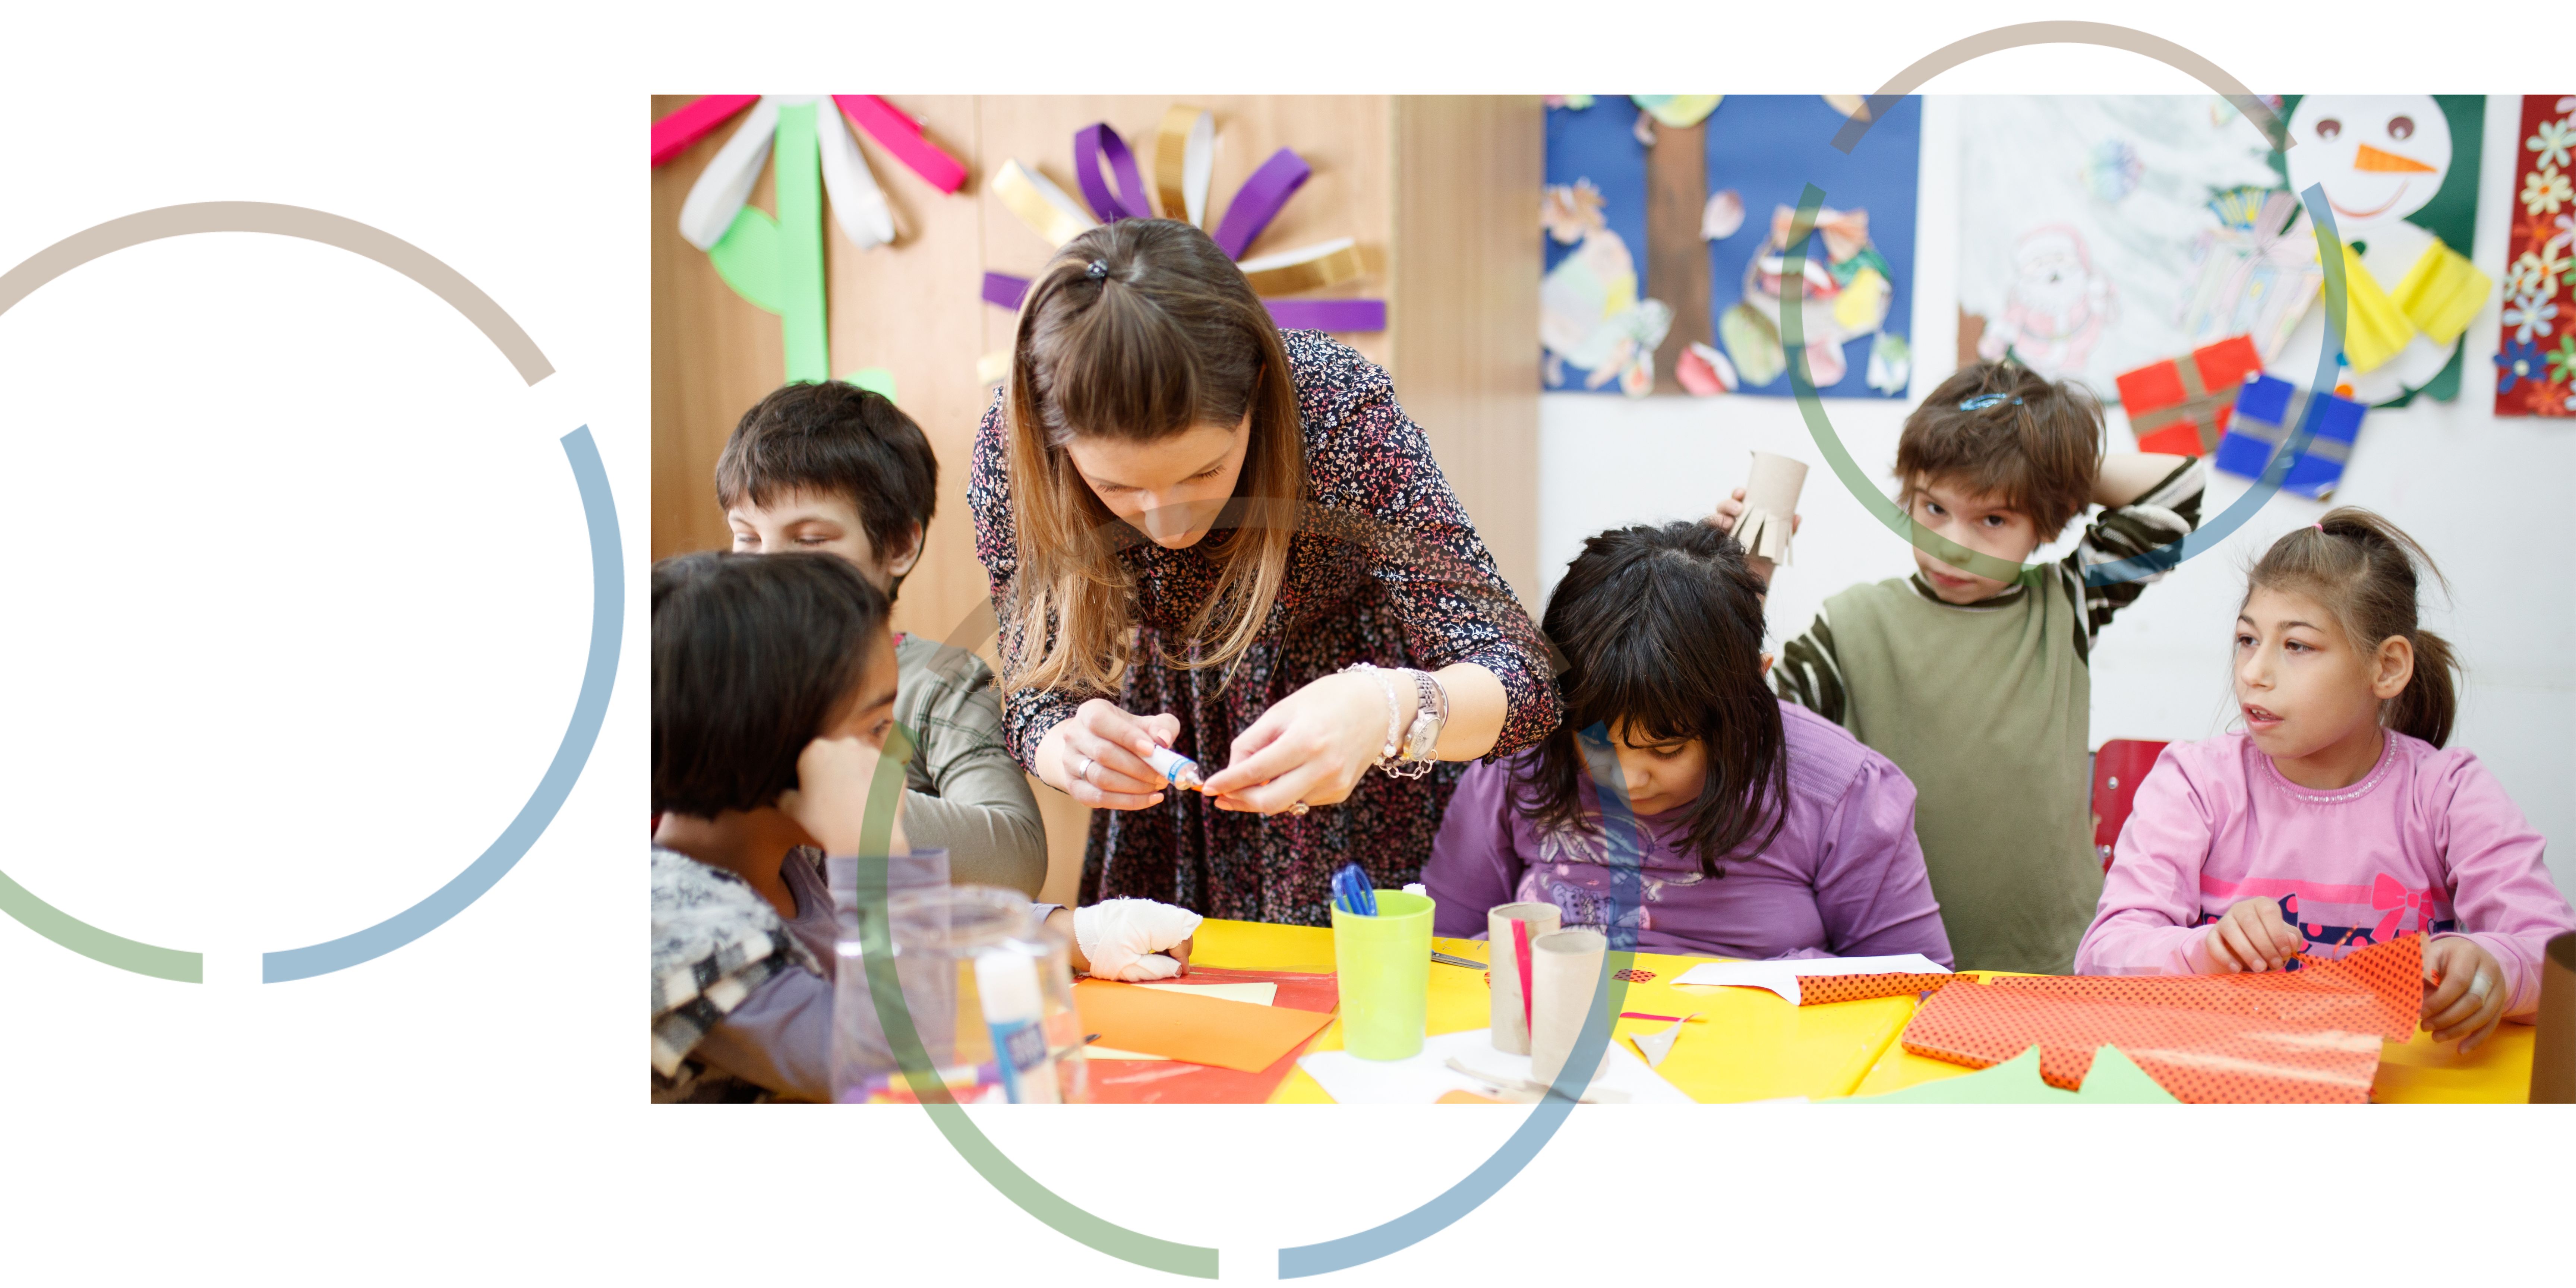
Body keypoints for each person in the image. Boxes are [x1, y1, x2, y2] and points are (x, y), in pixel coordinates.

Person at [969, 218, 1559, 925]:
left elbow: (1526, 678)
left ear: (1258, 392)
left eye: (1204, 472)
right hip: (1177, 778)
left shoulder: (1335, 413)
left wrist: (1385, 710)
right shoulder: (1016, 453)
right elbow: (1035, 690)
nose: (1165, 525)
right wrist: (1060, 742)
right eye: (1117, 489)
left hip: (1363, 749)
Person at [650, 552, 1200, 1103]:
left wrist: (1079, 934)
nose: (899, 746)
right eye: (876, 725)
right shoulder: (676, 925)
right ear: (762, 746)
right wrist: (871, 853)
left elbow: (928, 932)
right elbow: (893, 1065)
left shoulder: (790, 858)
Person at [1737, 360, 2203, 975]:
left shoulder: (2068, 603)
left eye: (1993, 519)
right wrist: (1742, 575)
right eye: (1933, 510)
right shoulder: (1852, 627)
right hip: (1892, 962)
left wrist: (2047, 466)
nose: (1953, 544)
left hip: (2056, 963)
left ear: (2044, 524)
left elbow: (2178, 491)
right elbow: (1743, 727)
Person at [2075, 511, 2575, 1053]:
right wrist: (2209, 950)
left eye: (2297, 646)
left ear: (2386, 668)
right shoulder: (2194, 783)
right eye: (2247, 639)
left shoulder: (2450, 793)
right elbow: (2104, 956)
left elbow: (2553, 957)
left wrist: (2492, 968)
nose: (2252, 672)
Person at [1420, 521, 1951, 962]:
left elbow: (1913, 990)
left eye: (1666, 750)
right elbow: (1440, 954)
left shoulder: (1844, 793)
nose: (1625, 779)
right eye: (1597, 742)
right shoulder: (1521, 759)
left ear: (1750, 693)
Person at [717, 379, 1046, 897]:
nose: (767, 568)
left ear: (898, 545)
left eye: (809, 540)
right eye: (747, 537)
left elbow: (1017, 858)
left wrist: (821, 792)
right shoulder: (709, 674)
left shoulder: (937, 683)